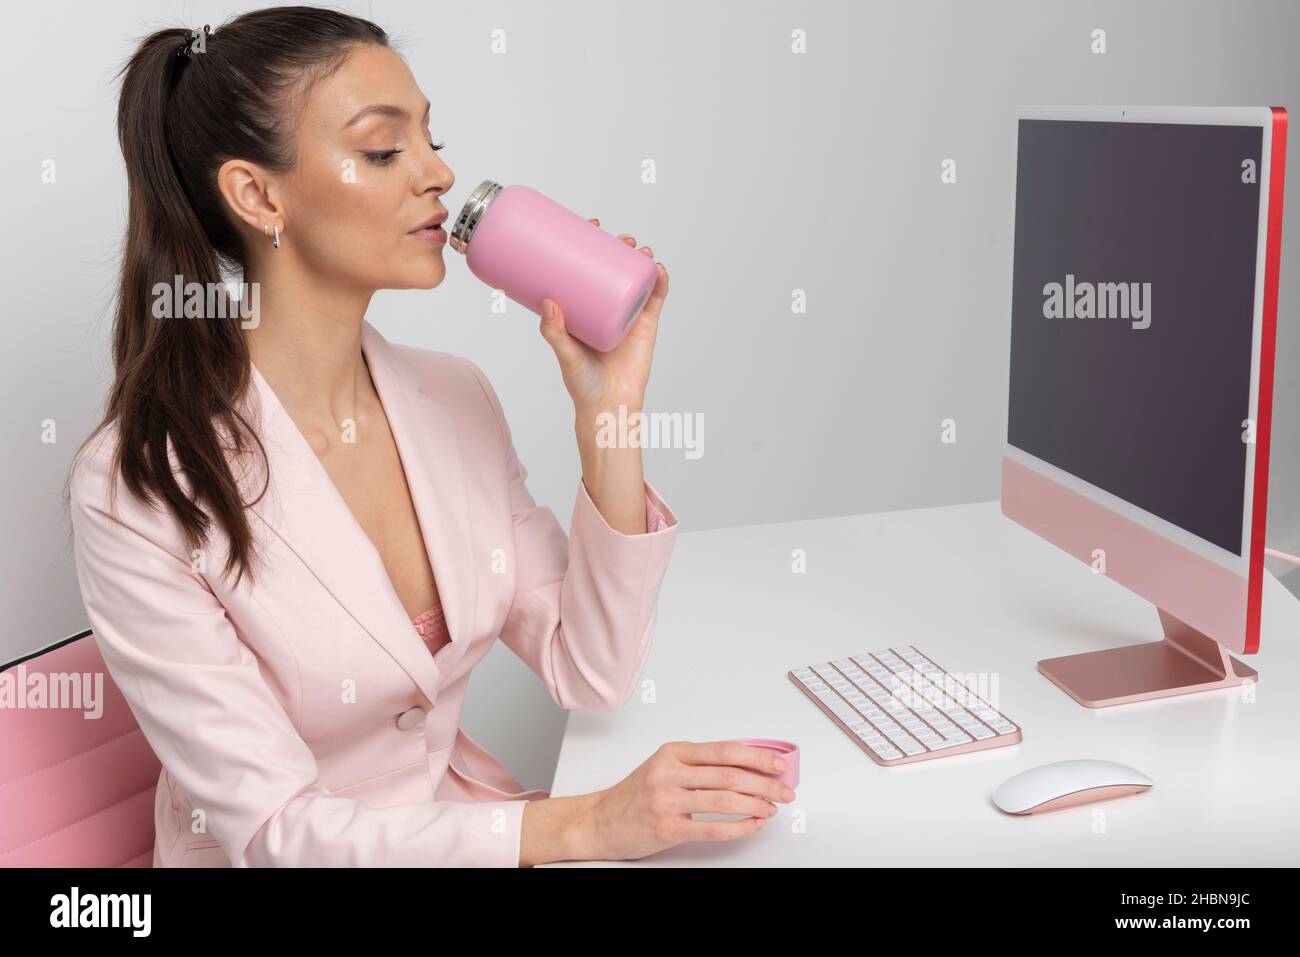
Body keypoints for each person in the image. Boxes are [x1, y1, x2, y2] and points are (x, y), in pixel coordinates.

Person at [67, 6, 793, 867]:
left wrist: (610, 412)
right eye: (383, 150)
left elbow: (591, 667)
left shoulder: (454, 398)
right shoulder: (135, 486)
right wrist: (587, 825)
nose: (440, 173)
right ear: (258, 195)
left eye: (431, 139)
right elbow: (275, 832)